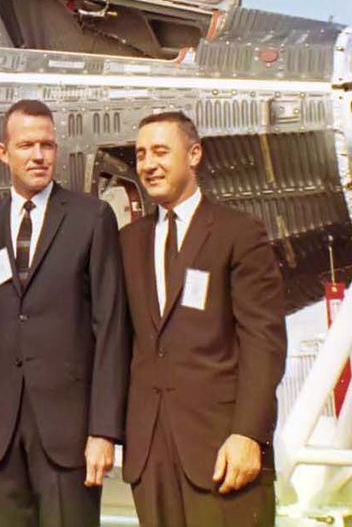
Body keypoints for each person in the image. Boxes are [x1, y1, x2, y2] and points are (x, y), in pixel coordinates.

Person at [0, 98, 128, 526]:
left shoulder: (91, 218)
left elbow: (111, 328)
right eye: (26, 145)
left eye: (47, 145)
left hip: (68, 433)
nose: (38, 155)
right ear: (3, 152)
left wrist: (103, 430)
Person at [120, 111, 285, 526]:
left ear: (194, 154)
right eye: (141, 155)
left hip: (222, 450)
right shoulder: (127, 242)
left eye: (161, 151)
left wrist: (248, 433)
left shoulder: (239, 234)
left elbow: (263, 342)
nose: (148, 164)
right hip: (151, 457)